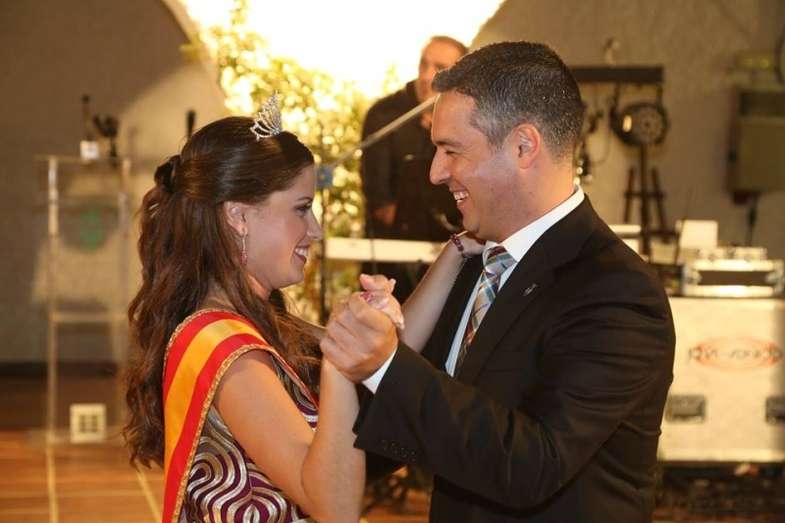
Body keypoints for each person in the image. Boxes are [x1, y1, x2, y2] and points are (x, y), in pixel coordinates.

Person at [321, 41, 676, 523]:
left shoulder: (617, 292)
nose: (435, 173)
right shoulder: (476, 262)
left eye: (451, 150)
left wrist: (386, 364)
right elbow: (433, 428)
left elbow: (534, 465)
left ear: (523, 146)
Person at [123, 110, 366, 523]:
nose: (315, 229)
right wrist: (340, 364)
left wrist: (458, 250)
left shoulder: (236, 318)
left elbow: (383, 354)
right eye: (302, 208)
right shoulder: (230, 351)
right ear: (238, 216)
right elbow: (335, 506)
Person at [361, 35, 467, 302]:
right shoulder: (385, 115)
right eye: (423, 64)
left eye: (439, 68)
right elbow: (380, 202)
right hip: (392, 266)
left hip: (456, 258)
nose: (426, 76)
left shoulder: (468, 120)